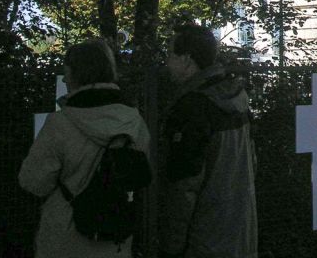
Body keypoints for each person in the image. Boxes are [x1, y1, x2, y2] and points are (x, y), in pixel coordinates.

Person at [19, 38, 151, 258]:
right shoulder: (134, 121)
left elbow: (33, 182)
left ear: (72, 73)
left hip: (65, 237)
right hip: (116, 237)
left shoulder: (60, 124)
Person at [159, 24, 258, 258]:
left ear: (186, 59)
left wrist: (171, 246)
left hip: (204, 240)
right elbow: (253, 163)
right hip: (241, 233)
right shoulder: (236, 98)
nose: (166, 62)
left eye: (170, 54)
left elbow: (184, 186)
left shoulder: (193, 107)